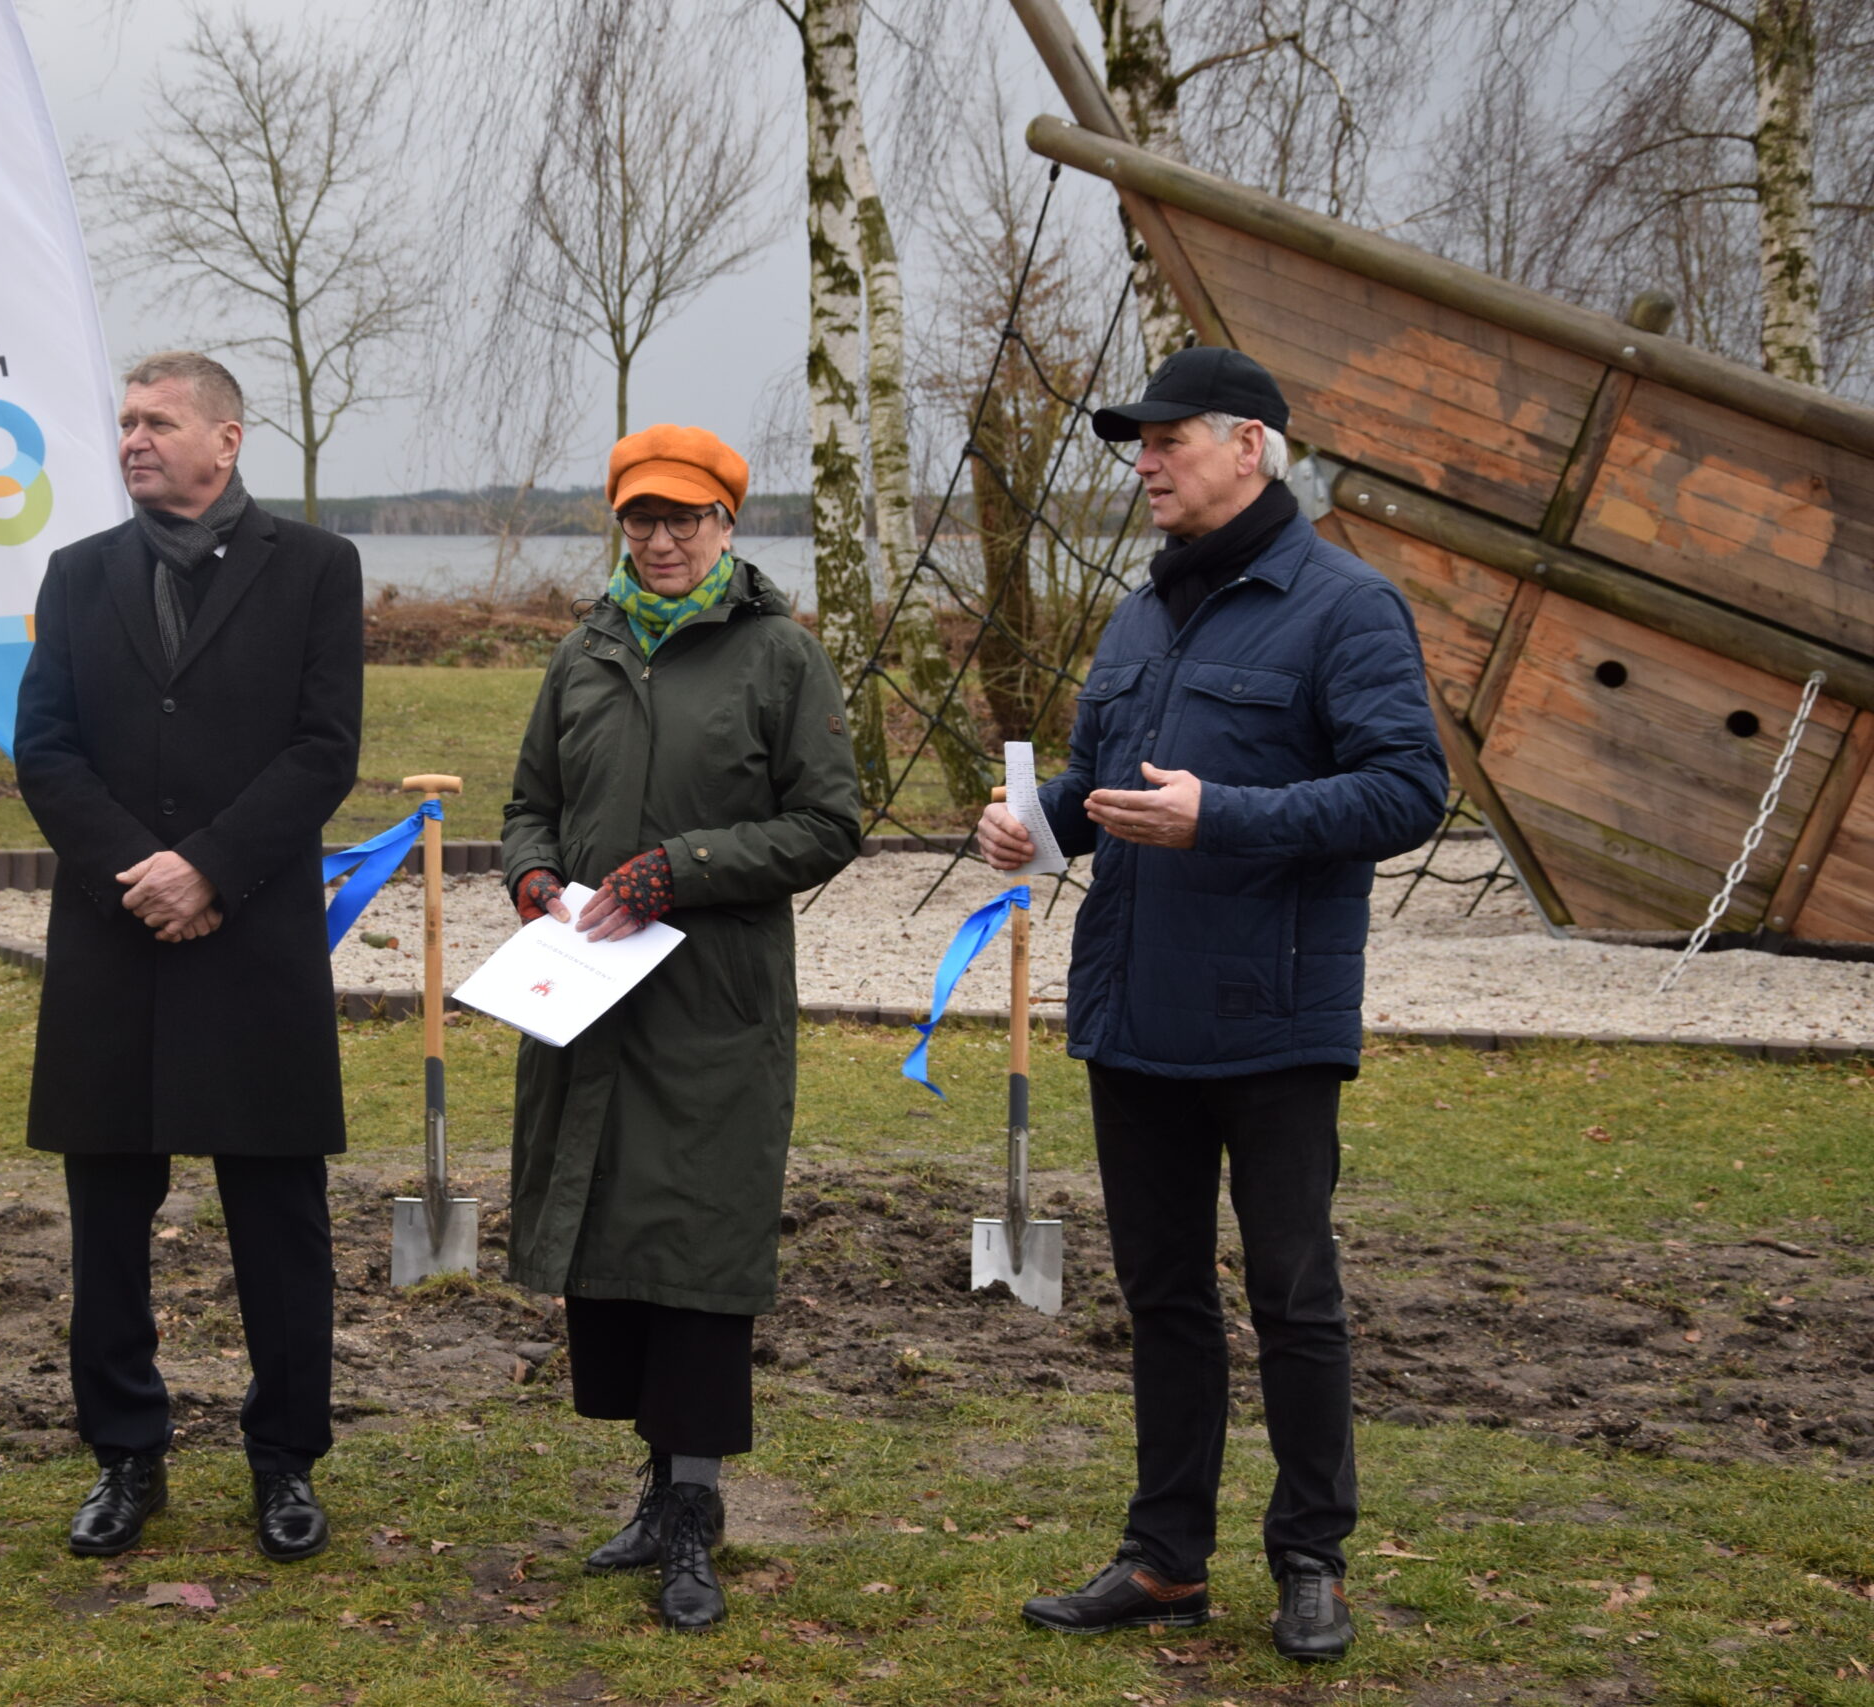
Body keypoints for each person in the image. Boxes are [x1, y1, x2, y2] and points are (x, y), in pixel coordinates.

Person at [977, 347, 1445, 1661]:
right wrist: (1035, 821)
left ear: (1252, 445)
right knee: (1165, 1292)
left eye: (1167, 438)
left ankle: (1312, 1557)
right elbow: (1100, 778)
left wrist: (1221, 817)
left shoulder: (1345, 606)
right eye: (1138, 442)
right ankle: (1165, 1556)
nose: (1144, 461)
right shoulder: (1141, 613)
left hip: (1274, 1016)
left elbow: (1408, 790)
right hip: (1134, 1011)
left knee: (1294, 1291)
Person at [500, 424, 861, 1632]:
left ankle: (696, 1512)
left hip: (713, 1009)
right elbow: (528, 803)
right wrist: (535, 877)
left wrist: (682, 869)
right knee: (614, 1246)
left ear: (725, 526)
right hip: (588, 1004)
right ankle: (653, 1494)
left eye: (684, 519)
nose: (660, 540)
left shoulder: (779, 659)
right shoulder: (584, 653)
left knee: (699, 1256)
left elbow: (825, 826)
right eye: (641, 520)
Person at [12, 351, 361, 1564]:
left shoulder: (316, 569)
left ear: (229, 439)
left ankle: (285, 1462)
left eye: (157, 421)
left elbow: (324, 751)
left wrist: (209, 867)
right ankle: (124, 1456)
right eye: (123, 422)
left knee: (278, 1217)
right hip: (115, 944)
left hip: (251, 939)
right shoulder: (74, 576)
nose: (131, 439)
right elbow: (46, 754)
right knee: (107, 1218)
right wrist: (143, 876)